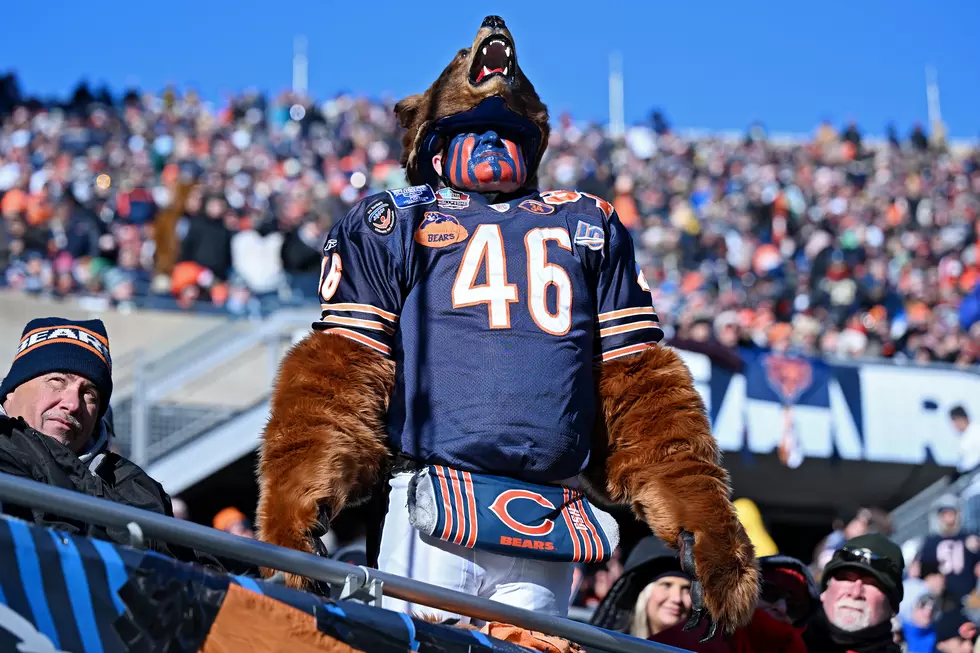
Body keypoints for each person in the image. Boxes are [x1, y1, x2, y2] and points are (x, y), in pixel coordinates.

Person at [256, 13, 758, 636]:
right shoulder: (394, 220)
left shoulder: (589, 223)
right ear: (433, 146)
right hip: (432, 499)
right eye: (474, 128)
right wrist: (300, 499)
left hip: (550, 508)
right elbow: (341, 370)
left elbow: (640, 388)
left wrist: (698, 513)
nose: (493, 142)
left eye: (507, 131)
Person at [0, 317, 216, 565]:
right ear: (12, 388)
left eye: (89, 393)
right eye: (57, 381)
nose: (72, 404)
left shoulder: (136, 485)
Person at [804, 533, 906, 653]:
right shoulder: (783, 644)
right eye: (846, 578)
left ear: (893, 607)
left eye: (872, 584)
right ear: (824, 591)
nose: (855, 592)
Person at [589, 536, 692, 638]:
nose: (677, 598)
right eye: (666, 585)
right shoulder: (605, 645)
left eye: (686, 588)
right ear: (643, 593)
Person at [911, 495, 980, 609]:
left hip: (970, 598)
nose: (949, 519)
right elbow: (921, 571)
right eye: (945, 514)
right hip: (942, 601)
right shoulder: (931, 543)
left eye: (951, 514)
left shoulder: (969, 538)